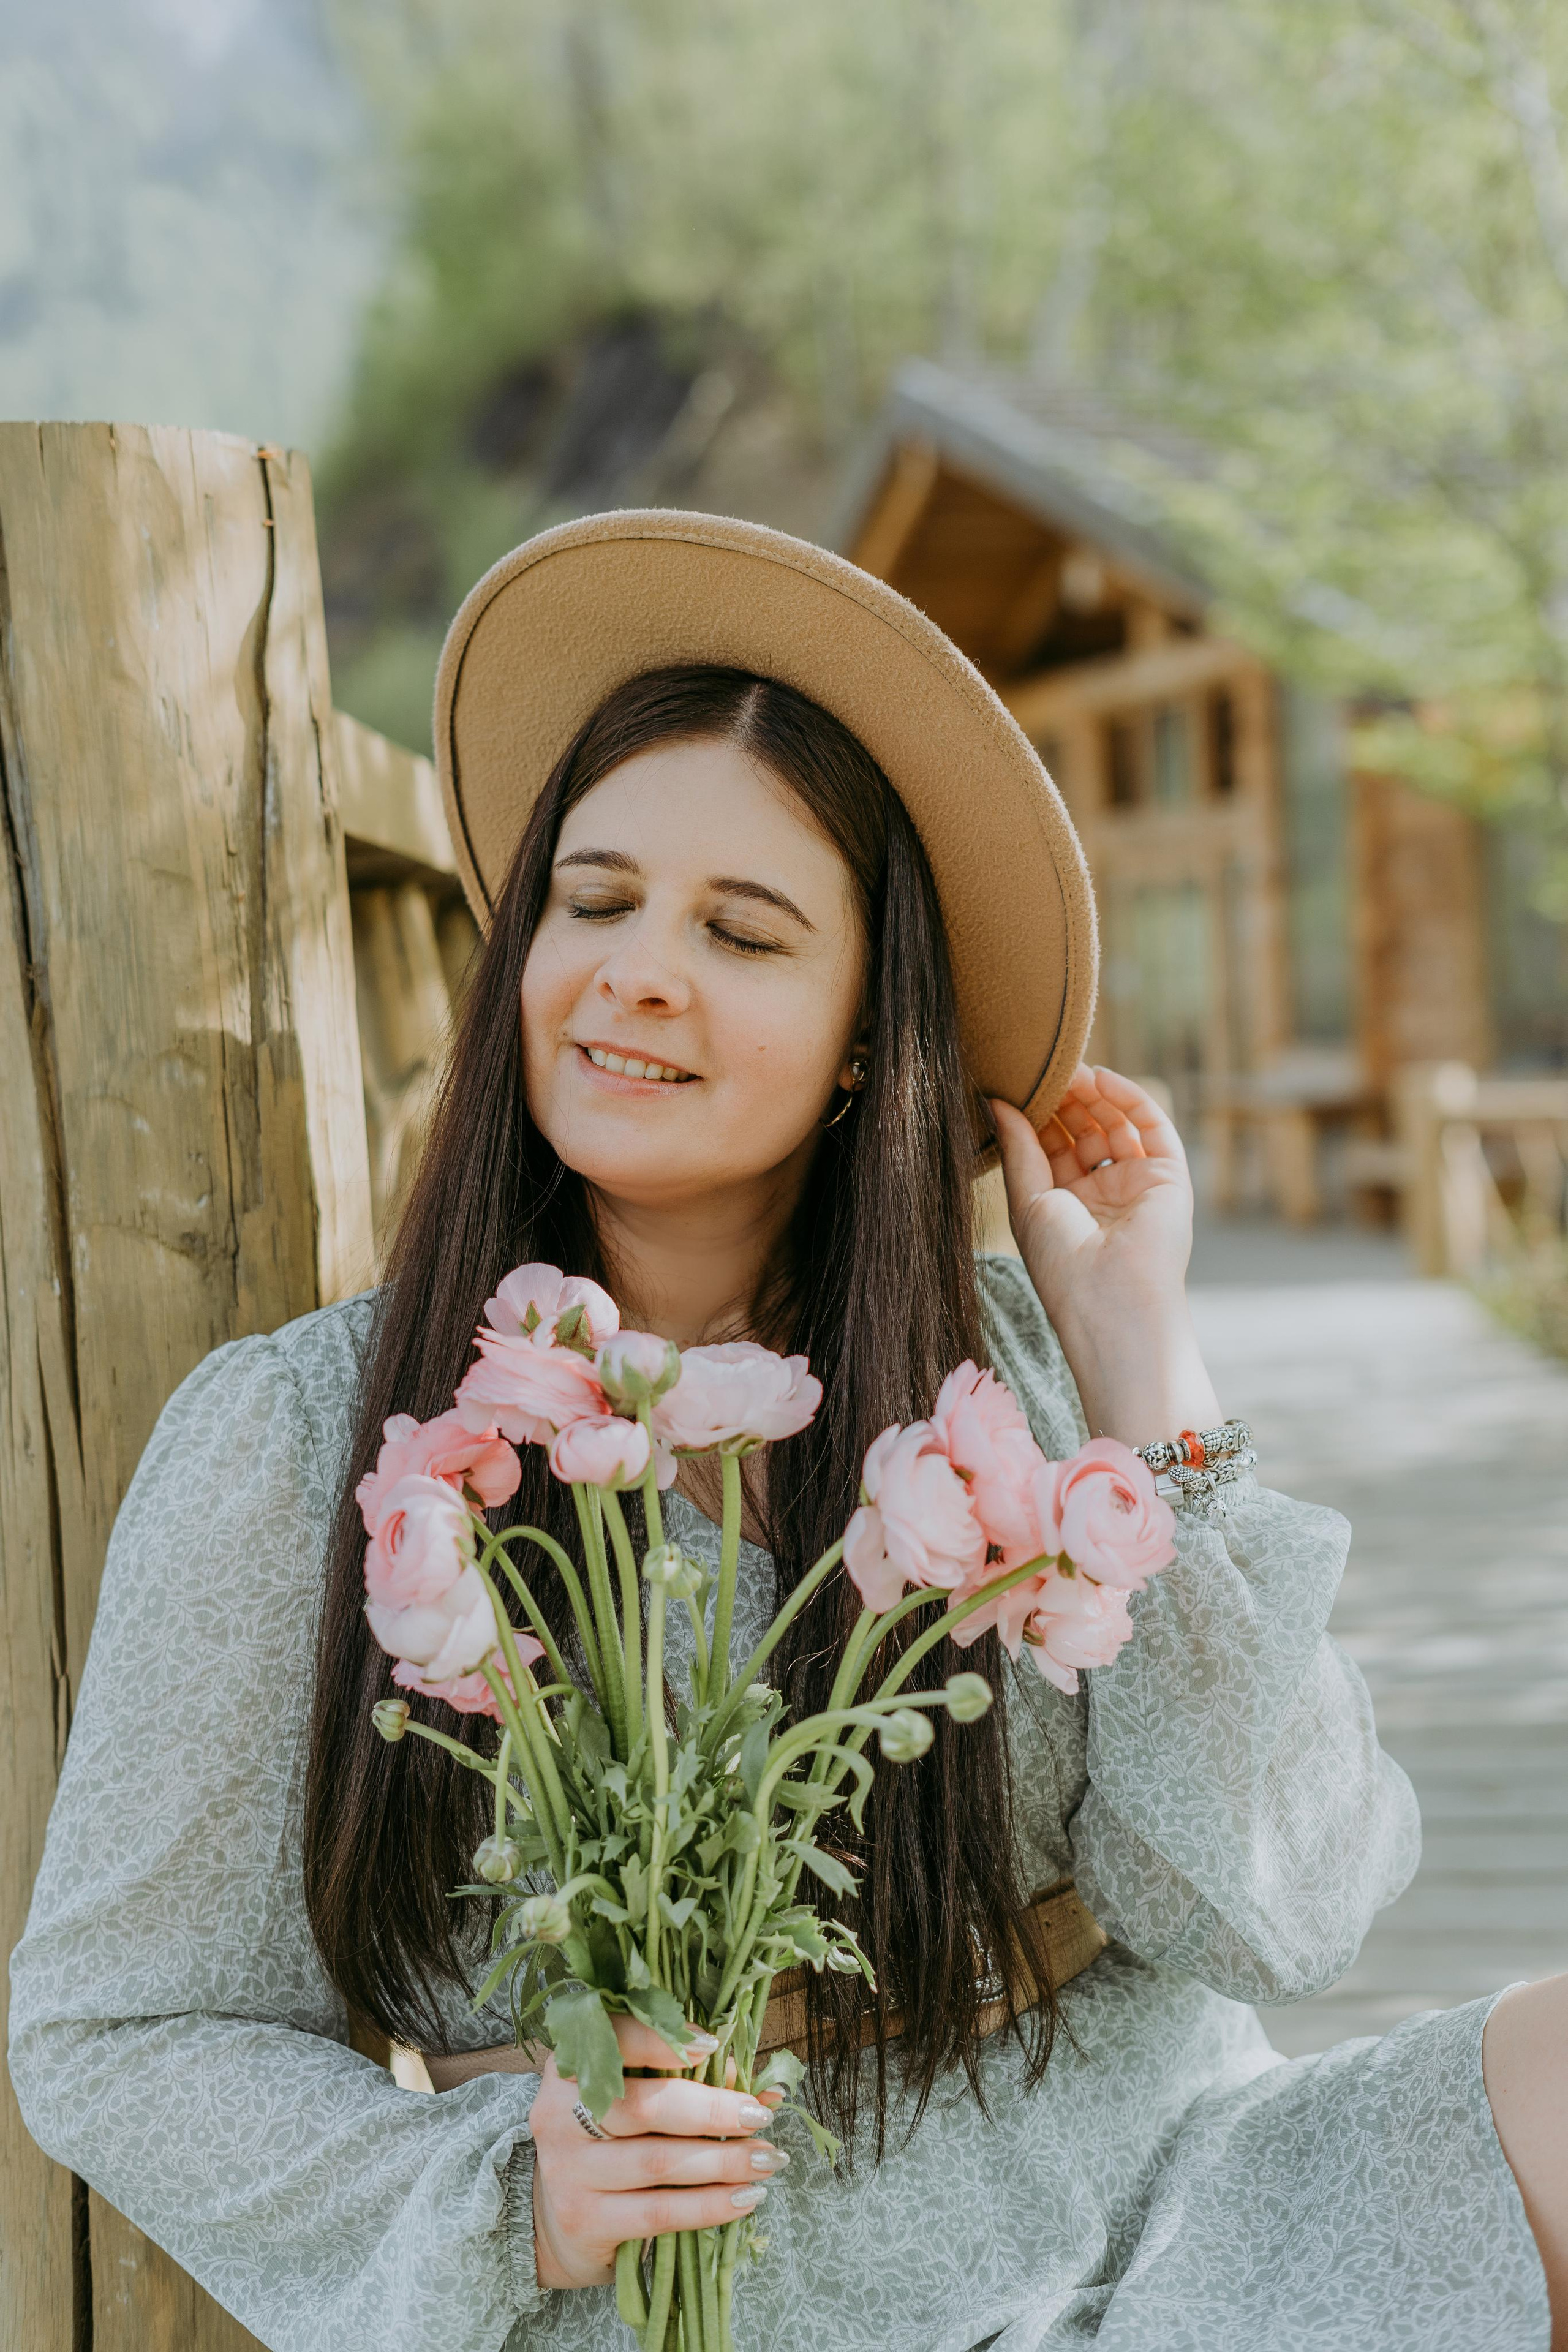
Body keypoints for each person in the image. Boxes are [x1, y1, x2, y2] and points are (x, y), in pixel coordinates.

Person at [9, 513, 1562, 2352]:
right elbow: (122, 2028)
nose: (637, 971)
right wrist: (509, 2195)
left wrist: (1145, 1373)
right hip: (720, 2307)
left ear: (859, 1033)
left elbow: (1281, 1913)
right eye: (594, 902)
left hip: (1173, 2210)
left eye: (743, 931)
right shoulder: (306, 1446)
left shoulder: (1015, 1375)